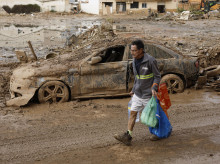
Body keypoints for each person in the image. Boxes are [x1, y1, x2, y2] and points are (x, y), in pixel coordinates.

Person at [114, 39, 161, 146]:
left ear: (141, 50)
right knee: (133, 113)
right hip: (138, 94)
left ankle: (158, 132)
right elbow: (137, 78)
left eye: (134, 50)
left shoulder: (150, 60)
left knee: (151, 116)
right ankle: (128, 136)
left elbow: (157, 76)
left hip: (149, 95)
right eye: (131, 50)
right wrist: (134, 89)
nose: (132, 52)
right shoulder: (134, 60)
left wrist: (154, 87)